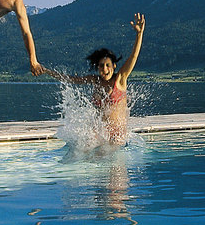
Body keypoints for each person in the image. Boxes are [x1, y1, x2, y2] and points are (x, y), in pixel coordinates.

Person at [43, 13, 145, 145]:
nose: (105, 69)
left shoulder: (120, 79)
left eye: (108, 65)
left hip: (117, 137)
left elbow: (133, 57)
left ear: (114, 66)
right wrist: (46, 71)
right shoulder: (95, 80)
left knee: (108, 154)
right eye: (101, 66)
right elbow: (70, 79)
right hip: (101, 135)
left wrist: (139, 34)